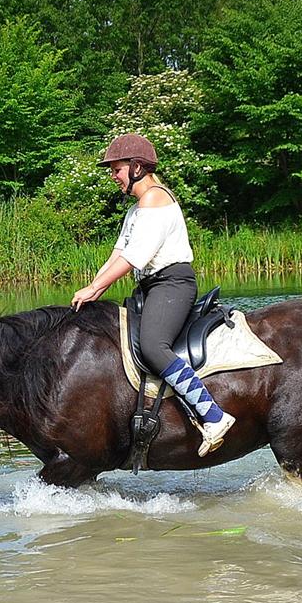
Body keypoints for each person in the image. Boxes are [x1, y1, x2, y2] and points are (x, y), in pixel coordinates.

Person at [71, 133, 236, 456]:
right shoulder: (136, 210)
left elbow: (136, 257)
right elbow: (118, 254)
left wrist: (94, 288)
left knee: (153, 346)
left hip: (172, 284)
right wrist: (95, 288)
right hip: (149, 286)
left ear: (136, 167)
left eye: (115, 169)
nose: (113, 177)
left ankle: (214, 416)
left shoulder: (155, 200)